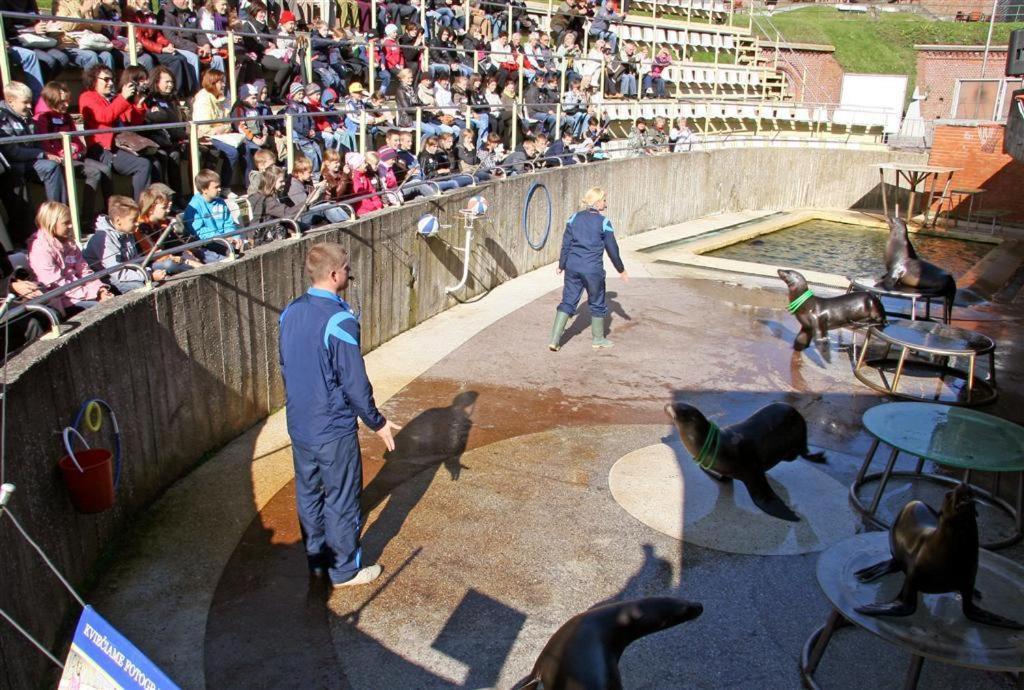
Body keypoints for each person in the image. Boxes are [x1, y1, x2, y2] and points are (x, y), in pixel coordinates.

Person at [278, 242, 401, 587]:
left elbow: (285, 365)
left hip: (300, 424)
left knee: (309, 494)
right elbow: (354, 382)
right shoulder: (340, 320)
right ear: (334, 274)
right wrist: (376, 422)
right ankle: (345, 570)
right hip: (332, 428)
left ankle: (318, 560)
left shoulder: (290, 311)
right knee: (342, 498)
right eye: (346, 268)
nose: (350, 273)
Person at [549, 187, 628, 351]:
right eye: (604, 200)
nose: (606, 203)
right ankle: (598, 339)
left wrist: (561, 265)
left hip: (572, 267)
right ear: (597, 202)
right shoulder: (604, 222)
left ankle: (555, 340)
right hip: (592, 270)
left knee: (568, 301)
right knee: (597, 302)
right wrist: (621, 269)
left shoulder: (573, 218)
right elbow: (613, 250)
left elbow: (566, 244)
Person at [28, 201, 112, 313]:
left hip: (81, 291)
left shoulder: (69, 242)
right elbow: (58, 285)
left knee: (112, 301)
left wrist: (100, 289)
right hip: (60, 301)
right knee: (103, 310)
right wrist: (93, 294)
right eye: (66, 223)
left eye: (70, 222)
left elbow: (84, 270)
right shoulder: (40, 249)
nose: (71, 226)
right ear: (51, 223)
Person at [83, 195, 167, 293]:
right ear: (118, 221)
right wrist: (149, 275)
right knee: (140, 287)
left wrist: (148, 272)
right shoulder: (103, 240)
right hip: (105, 278)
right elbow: (118, 273)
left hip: (124, 272)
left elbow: (135, 261)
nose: (137, 223)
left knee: (163, 268)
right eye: (133, 220)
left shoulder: (127, 231)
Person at [184, 168, 241, 262]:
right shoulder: (195, 206)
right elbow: (199, 231)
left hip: (225, 239)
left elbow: (228, 223)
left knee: (240, 247)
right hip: (207, 242)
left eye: (220, 186)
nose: (219, 189)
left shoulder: (221, 202)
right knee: (231, 254)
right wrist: (222, 238)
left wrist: (234, 237)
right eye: (216, 187)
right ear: (204, 189)